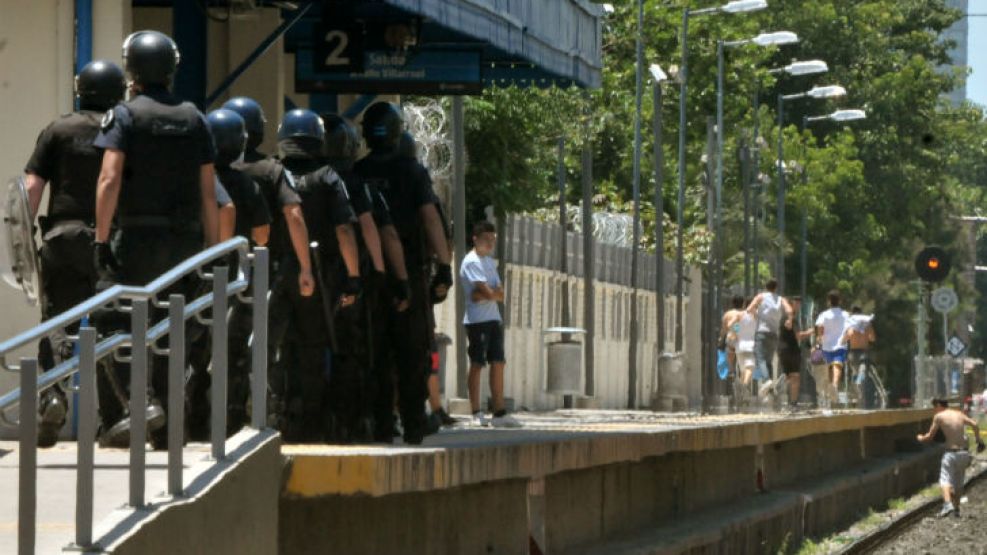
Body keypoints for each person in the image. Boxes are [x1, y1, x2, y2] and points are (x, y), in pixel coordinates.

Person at [93, 30, 219, 449]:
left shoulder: (123, 116)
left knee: (115, 322)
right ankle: (168, 428)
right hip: (183, 244)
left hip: (135, 239)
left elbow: (110, 178)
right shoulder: (194, 118)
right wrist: (215, 250)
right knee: (172, 328)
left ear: (132, 70)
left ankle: (138, 405)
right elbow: (208, 192)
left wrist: (101, 238)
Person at [23, 59, 126, 447]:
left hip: (61, 236)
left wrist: (25, 241)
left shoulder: (59, 129)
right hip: (107, 238)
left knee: (56, 323)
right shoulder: (122, 130)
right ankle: (115, 416)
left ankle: (52, 396)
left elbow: (31, 188)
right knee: (110, 327)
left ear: (80, 88)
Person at [354, 101, 453, 444]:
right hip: (408, 271)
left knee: (375, 350)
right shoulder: (411, 171)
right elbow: (430, 218)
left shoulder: (358, 171)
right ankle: (413, 422)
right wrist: (444, 266)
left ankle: (381, 423)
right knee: (412, 350)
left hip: (367, 274)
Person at [222, 96, 314, 427]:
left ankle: (225, 412)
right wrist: (305, 266)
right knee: (266, 343)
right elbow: (293, 214)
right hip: (264, 270)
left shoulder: (208, 172)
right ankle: (264, 410)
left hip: (215, 272)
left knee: (224, 344)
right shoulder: (272, 169)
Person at [322, 114, 411, 442]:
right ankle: (357, 419)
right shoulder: (357, 185)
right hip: (351, 278)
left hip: (309, 277)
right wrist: (384, 275)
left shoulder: (300, 178)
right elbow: (381, 231)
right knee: (359, 349)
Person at [277, 108, 361, 442]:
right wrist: (354, 277)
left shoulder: (275, 172)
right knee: (314, 347)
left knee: (277, 343)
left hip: (275, 270)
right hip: (319, 273)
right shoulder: (327, 176)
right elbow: (343, 230)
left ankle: (277, 412)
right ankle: (310, 422)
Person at [461, 221, 519, 427]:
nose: (490, 244)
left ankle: (499, 411)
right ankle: (476, 411)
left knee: (498, 362)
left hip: (493, 318)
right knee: (477, 363)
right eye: (486, 240)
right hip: (477, 320)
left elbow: (500, 293)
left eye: (493, 240)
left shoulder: (488, 261)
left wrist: (488, 294)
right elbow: (483, 292)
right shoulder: (472, 261)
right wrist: (489, 293)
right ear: (475, 239)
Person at [917, 398, 984, 517]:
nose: (934, 410)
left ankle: (947, 504)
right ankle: (957, 509)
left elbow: (930, 436)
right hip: (964, 454)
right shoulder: (959, 414)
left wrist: (921, 438)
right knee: (959, 482)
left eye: (934, 407)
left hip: (951, 453)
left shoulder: (939, 416)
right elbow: (975, 424)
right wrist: (979, 441)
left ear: (938, 405)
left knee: (944, 479)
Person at [747, 279, 789, 384]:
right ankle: (768, 387)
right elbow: (789, 310)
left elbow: (748, 310)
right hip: (773, 334)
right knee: (768, 362)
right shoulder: (780, 299)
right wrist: (789, 319)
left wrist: (757, 315)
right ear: (776, 288)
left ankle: (765, 381)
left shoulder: (760, 297)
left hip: (758, 335)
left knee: (759, 360)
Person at [815, 290, 849, 405]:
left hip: (827, 345)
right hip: (840, 344)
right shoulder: (845, 314)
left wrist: (819, 338)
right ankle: (834, 385)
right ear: (840, 301)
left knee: (829, 367)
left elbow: (819, 327)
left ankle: (830, 390)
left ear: (829, 301)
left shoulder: (824, 314)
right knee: (838, 364)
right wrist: (846, 338)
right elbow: (850, 329)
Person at [778, 297, 813, 408]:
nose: (798, 307)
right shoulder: (792, 318)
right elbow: (798, 336)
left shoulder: (783, 317)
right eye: (796, 304)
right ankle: (793, 403)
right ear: (790, 305)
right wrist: (811, 331)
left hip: (782, 349)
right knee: (796, 377)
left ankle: (781, 384)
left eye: (799, 304)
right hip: (792, 350)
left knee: (790, 376)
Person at [842, 306, 876, 407]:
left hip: (863, 354)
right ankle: (857, 397)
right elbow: (845, 339)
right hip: (853, 353)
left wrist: (866, 331)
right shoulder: (850, 326)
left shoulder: (866, 325)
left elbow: (872, 338)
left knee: (861, 373)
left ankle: (860, 394)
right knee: (856, 374)